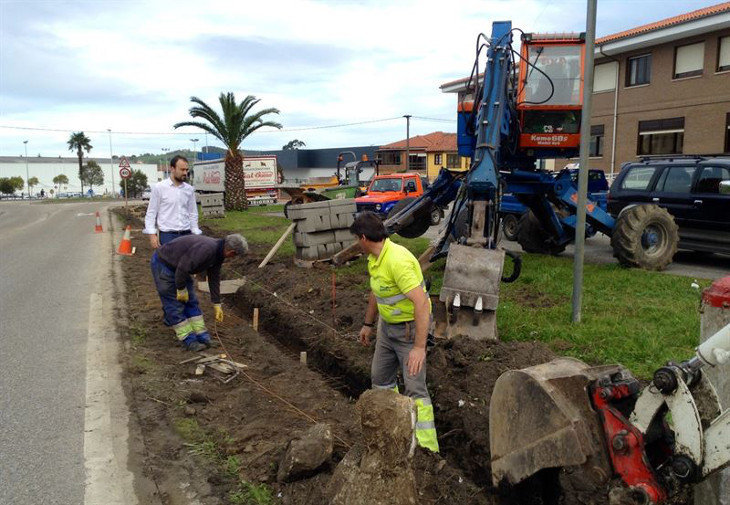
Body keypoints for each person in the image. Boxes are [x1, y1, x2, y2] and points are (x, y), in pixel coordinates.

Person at [351, 211, 439, 453]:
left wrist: (419, 348)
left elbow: (421, 303)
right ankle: (392, 430)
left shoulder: (396, 261)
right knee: (380, 380)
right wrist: (368, 324)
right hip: (387, 330)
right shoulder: (375, 259)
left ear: (363, 238)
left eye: (357, 240)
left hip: (410, 333)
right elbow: (376, 292)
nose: (358, 244)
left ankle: (426, 449)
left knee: (415, 390)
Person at [150, 233, 248, 351]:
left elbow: (214, 277)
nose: (233, 258)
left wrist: (217, 303)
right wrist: (181, 289)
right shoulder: (206, 249)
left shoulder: (218, 252)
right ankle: (189, 340)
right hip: (165, 265)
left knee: (191, 301)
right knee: (174, 304)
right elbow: (182, 268)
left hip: (181, 268)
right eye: (234, 256)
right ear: (231, 252)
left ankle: (202, 337)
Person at [144, 155, 201, 248]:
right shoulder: (159, 188)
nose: (185, 173)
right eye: (182, 170)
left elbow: (193, 213)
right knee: (170, 262)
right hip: (167, 236)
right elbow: (151, 213)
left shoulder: (189, 190)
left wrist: (195, 233)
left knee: (186, 262)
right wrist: (152, 235)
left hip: (186, 234)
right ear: (172, 169)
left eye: (186, 170)